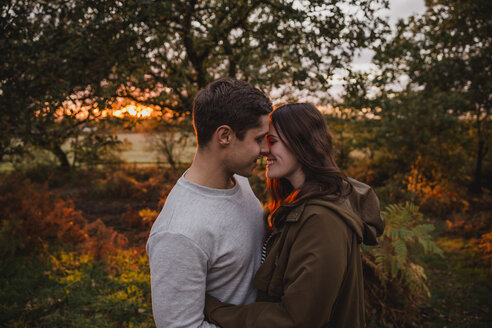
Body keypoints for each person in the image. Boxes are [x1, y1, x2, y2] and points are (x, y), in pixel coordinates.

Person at [204, 103, 385, 328]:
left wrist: (213, 308)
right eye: (262, 141)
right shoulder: (300, 205)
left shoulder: (321, 221)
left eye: (272, 141)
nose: (264, 150)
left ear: (302, 144)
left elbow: (296, 320)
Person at [146, 78, 273, 327]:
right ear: (225, 135)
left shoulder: (239, 181)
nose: (265, 149)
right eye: (258, 139)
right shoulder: (178, 234)